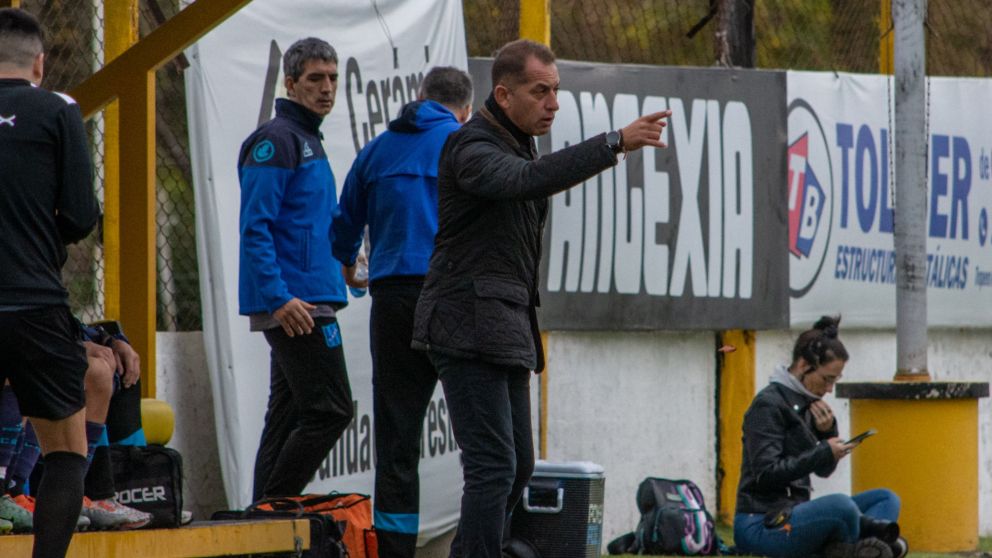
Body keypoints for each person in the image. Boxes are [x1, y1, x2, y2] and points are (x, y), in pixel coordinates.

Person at [410, 39, 671, 557]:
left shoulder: (516, 141)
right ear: (504, 94)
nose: (553, 103)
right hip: (465, 323)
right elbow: (526, 181)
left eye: (556, 90)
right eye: (540, 91)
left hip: (502, 326)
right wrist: (613, 143)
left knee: (518, 466)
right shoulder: (471, 146)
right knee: (493, 467)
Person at [332, 66, 473, 557]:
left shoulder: (377, 149)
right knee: (482, 438)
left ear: (419, 96)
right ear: (466, 109)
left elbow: (344, 225)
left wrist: (349, 266)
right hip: (453, 296)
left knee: (397, 440)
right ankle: (480, 544)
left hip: (392, 300)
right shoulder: (465, 144)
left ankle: (394, 551)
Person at [0, 7, 100, 556]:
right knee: (65, 453)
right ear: (39, 63)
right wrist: (41, 240)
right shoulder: (59, 109)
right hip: (35, 304)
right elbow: (82, 214)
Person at [238, 37, 353, 501]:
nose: (327, 88)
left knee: (285, 417)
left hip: (309, 295)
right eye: (315, 79)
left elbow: (310, 223)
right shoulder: (277, 140)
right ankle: (275, 509)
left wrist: (346, 264)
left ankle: (260, 520)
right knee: (331, 410)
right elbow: (255, 228)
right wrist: (279, 298)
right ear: (290, 83)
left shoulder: (307, 138)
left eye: (333, 78)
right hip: (298, 303)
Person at [733, 316, 908, 558]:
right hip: (762, 524)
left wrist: (827, 433)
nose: (829, 389)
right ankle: (863, 548)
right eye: (827, 379)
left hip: (797, 515)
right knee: (841, 506)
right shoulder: (767, 405)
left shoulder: (808, 402)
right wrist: (823, 451)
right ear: (804, 365)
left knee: (886, 498)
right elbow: (766, 474)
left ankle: (850, 550)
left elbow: (824, 471)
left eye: (835, 380)